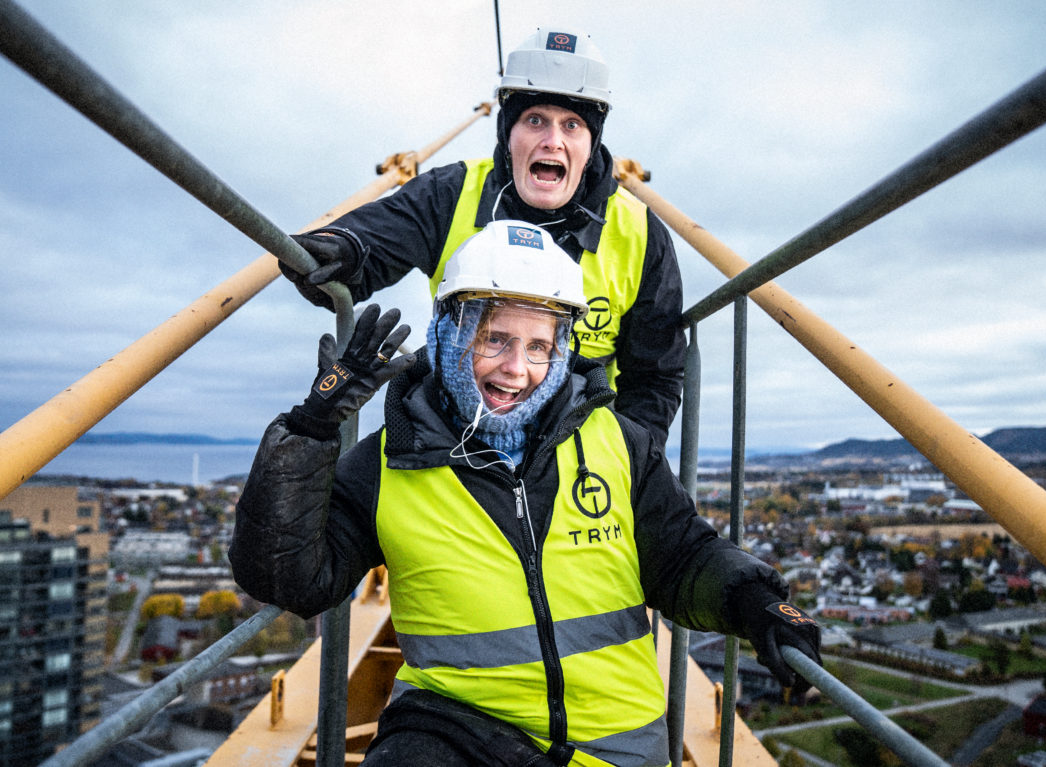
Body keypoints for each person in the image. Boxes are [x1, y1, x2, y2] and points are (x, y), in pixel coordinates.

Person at [231, 221, 822, 767]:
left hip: (614, 746)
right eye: (494, 339)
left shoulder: (616, 441)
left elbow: (684, 558)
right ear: (447, 332)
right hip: (453, 731)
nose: (518, 369)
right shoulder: (390, 460)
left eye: (540, 347)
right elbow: (285, 579)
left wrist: (762, 602)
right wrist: (311, 428)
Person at [279, 28, 686, 447]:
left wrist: (632, 464)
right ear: (507, 135)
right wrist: (341, 249)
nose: (553, 141)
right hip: (458, 440)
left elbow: (654, 375)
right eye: (534, 120)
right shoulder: (452, 195)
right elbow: (372, 244)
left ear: (592, 141)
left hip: (578, 449)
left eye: (573, 125)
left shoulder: (639, 232)